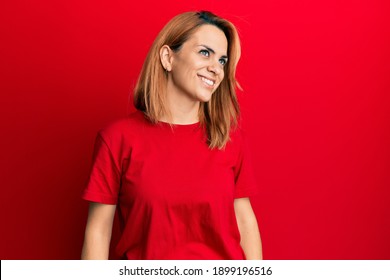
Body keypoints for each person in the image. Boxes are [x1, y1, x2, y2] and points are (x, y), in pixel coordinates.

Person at [81, 10, 262, 260]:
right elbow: (99, 231)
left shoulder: (229, 141)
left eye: (222, 60)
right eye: (205, 52)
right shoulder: (117, 139)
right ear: (168, 57)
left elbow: (245, 222)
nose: (216, 68)